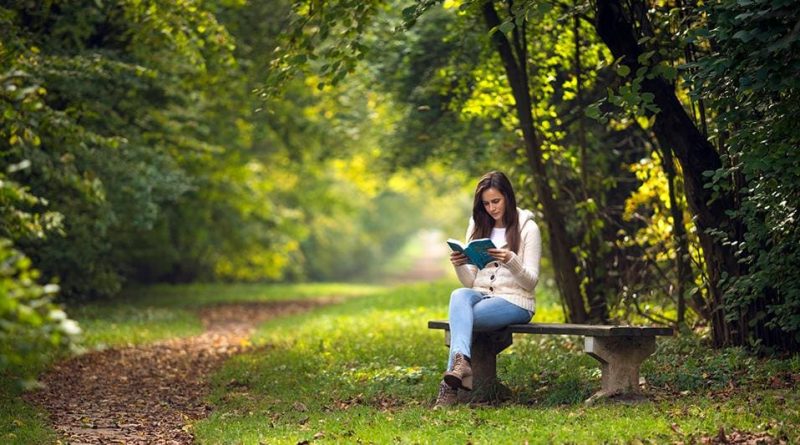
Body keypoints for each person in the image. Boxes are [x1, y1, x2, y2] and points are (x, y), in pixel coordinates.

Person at [434, 171, 542, 407]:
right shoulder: (478, 224)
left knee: (461, 318)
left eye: (496, 201)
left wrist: (511, 260)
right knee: (458, 295)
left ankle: (448, 390)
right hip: (481, 295)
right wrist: (461, 265)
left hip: (515, 301)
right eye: (486, 203)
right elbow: (470, 283)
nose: (492, 208)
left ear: (508, 198)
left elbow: (531, 282)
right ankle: (461, 366)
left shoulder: (528, 228)